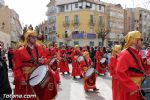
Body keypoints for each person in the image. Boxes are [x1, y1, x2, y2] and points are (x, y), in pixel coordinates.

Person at [13, 30, 57, 100]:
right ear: (28, 37)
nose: (35, 39)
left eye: (36, 37)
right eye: (33, 37)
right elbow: (17, 67)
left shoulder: (40, 48)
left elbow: (46, 59)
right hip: (26, 76)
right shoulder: (19, 51)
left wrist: (43, 60)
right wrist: (21, 78)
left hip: (39, 74)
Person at [116, 31, 145, 100]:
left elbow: (140, 69)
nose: (142, 41)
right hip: (131, 90)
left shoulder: (137, 53)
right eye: (141, 39)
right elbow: (120, 72)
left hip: (139, 87)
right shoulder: (125, 54)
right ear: (134, 40)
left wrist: (146, 63)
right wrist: (132, 87)